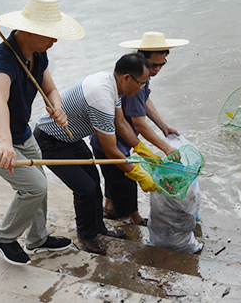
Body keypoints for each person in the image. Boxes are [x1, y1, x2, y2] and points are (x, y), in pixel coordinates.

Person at [0, 0, 83, 266]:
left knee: (39, 184)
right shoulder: (2, 62)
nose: (55, 41)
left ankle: (37, 239)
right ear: (29, 31)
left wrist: (57, 107)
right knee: (34, 187)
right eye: (50, 35)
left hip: (21, 133)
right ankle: (5, 239)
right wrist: (4, 143)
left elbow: (50, 89)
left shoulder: (37, 55)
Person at [33, 53, 159, 255]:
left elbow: (121, 123)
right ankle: (87, 235)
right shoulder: (101, 98)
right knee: (85, 189)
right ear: (126, 78)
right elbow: (110, 151)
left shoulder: (112, 85)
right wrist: (139, 175)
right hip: (51, 141)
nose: (142, 89)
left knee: (94, 182)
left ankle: (98, 228)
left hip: (71, 138)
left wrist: (142, 150)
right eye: (141, 83)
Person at [91, 31, 187, 225]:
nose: (158, 69)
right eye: (154, 65)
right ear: (141, 59)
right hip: (113, 140)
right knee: (125, 181)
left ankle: (108, 209)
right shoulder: (134, 80)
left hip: (117, 139)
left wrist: (163, 126)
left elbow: (145, 100)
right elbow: (139, 123)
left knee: (113, 177)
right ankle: (135, 218)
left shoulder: (142, 77)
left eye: (163, 64)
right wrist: (165, 148)